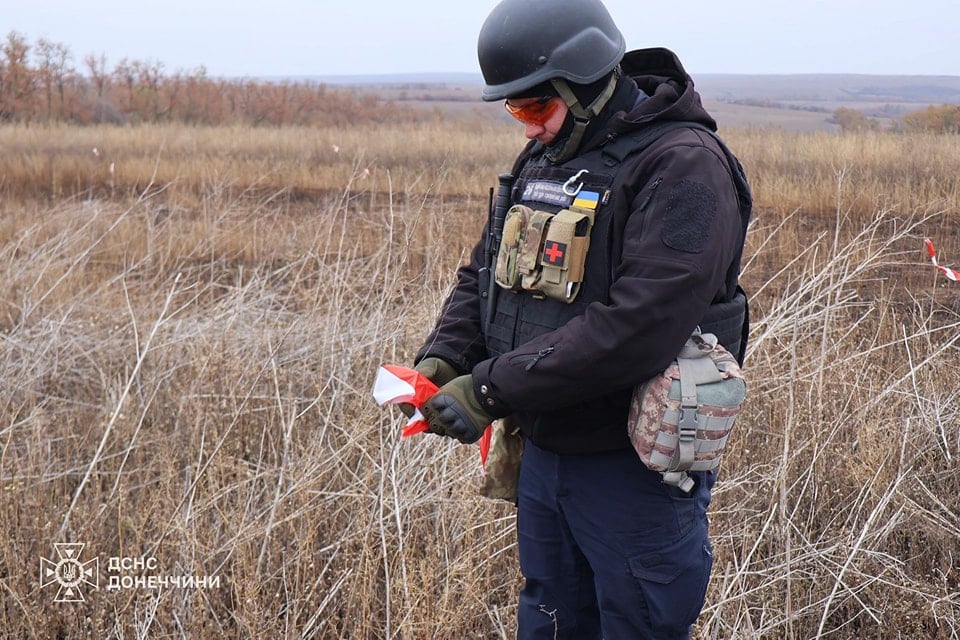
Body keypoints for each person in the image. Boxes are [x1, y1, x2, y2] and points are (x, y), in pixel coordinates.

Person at [412, 0, 751, 637]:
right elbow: (485, 274)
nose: (527, 128)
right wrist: (445, 357)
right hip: (546, 454)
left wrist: (488, 389)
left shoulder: (683, 166)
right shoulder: (546, 160)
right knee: (550, 621)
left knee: (638, 624)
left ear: (587, 82)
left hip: (632, 471)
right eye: (516, 110)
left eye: (536, 107)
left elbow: (640, 325)